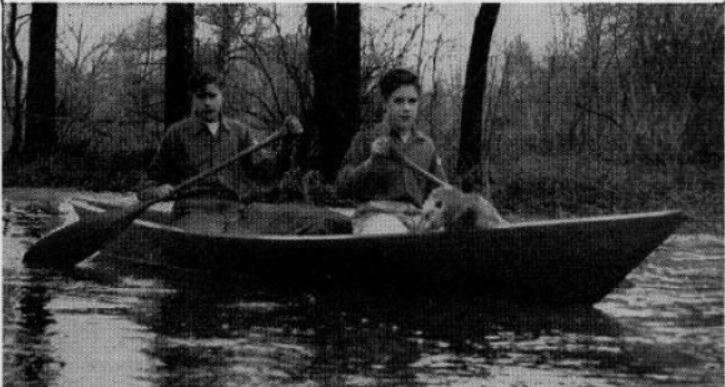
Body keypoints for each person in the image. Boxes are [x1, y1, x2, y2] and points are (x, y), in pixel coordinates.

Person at [138, 70, 280, 234]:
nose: (207, 102)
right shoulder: (177, 133)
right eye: (201, 97)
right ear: (193, 99)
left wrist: (286, 147)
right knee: (212, 242)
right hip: (193, 212)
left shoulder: (240, 132)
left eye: (212, 96)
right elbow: (146, 184)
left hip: (234, 211)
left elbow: (265, 174)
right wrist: (157, 190)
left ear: (222, 96)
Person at [336, 68, 447, 234]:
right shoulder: (367, 138)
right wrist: (370, 163)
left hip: (417, 218)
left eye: (412, 101)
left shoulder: (426, 145)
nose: (406, 108)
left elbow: (441, 193)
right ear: (385, 104)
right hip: (376, 216)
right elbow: (342, 188)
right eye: (399, 101)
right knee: (393, 235)